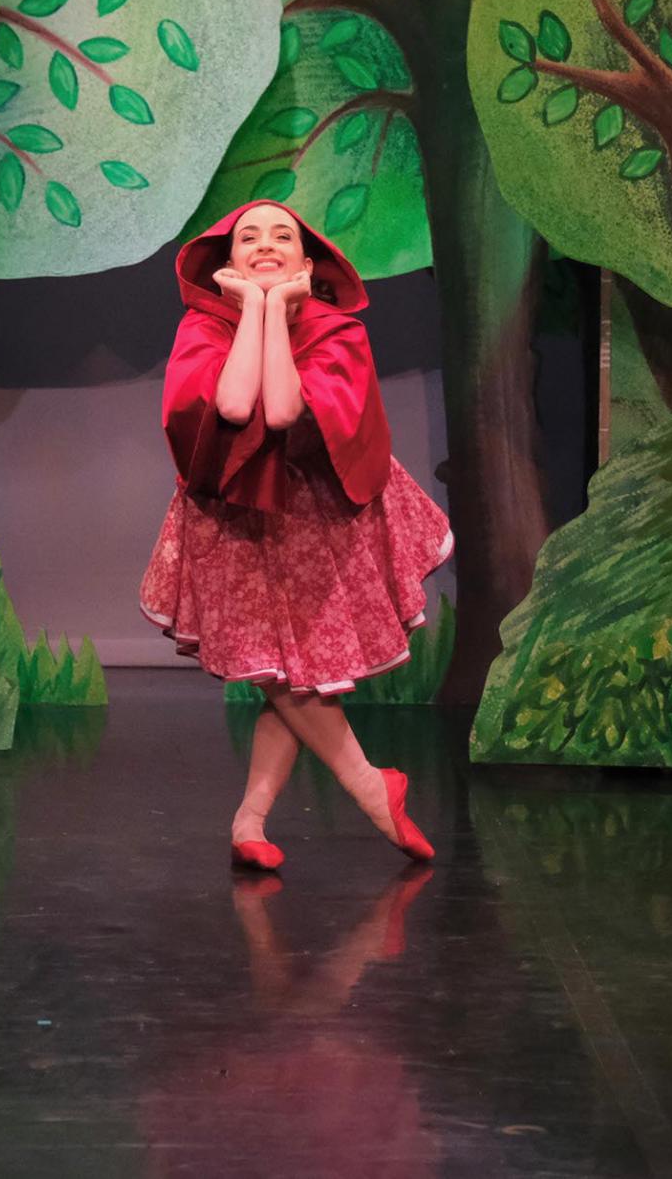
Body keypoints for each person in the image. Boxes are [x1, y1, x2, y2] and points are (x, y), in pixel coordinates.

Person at [142, 200, 453, 871]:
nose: (264, 244)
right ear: (227, 262)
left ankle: (254, 819)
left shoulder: (336, 330)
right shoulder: (204, 328)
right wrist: (256, 308)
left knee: (293, 677)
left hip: (315, 521)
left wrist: (278, 305)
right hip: (236, 520)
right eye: (248, 237)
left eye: (281, 236)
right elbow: (232, 405)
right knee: (285, 676)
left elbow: (283, 411)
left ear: (308, 263)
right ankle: (366, 788)